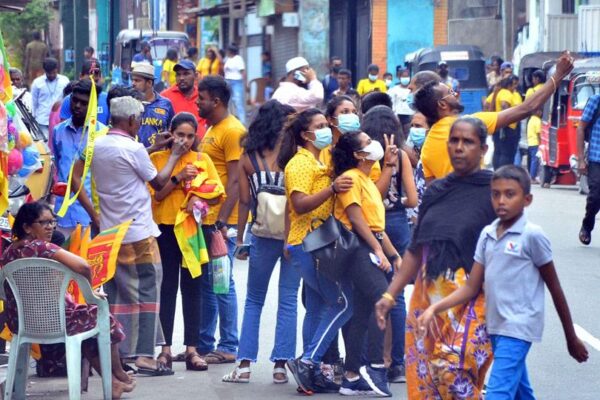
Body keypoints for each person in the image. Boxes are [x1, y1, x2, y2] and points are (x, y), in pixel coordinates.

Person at [417, 165, 589, 398]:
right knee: (521, 393)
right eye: (496, 194)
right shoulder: (487, 234)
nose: (501, 201)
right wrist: (435, 308)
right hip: (494, 326)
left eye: (510, 194)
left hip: (518, 329)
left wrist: (571, 337)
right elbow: (471, 287)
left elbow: (555, 287)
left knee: (498, 393)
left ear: (527, 199)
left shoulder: (532, 236)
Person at [375, 117, 497, 398]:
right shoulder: (436, 192)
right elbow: (416, 249)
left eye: (468, 142)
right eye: (454, 140)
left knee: (453, 373)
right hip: (427, 296)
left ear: (483, 148)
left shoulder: (495, 191)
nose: (459, 147)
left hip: (475, 297)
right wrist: (390, 294)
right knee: (427, 382)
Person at [72, 92, 188, 376]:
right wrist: (174, 155)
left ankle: (119, 355)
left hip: (111, 230)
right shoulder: (133, 149)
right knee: (149, 293)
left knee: (118, 294)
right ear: (133, 120)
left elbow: (75, 177)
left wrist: (94, 214)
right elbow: (159, 182)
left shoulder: (98, 144)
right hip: (139, 233)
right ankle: (146, 357)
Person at [0, 202, 136, 399]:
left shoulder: (8, 253)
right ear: (27, 227)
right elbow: (84, 267)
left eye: (52, 222)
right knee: (100, 314)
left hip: (21, 324)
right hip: (56, 321)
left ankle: (116, 381)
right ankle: (119, 375)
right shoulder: (41, 247)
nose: (50, 227)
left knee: (86, 322)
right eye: (43, 223)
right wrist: (91, 293)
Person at [222, 100, 299, 384]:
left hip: (262, 234)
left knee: (254, 299)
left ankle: (243, 366)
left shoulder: (248, 158)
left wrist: (241, 238)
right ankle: (281, 366)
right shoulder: (294, 156)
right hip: (294, 237)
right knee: (288, 299)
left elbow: (244, 201)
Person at [278, 108, 353, 395]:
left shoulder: (320, 159)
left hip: (314, 242)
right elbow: (298, 204)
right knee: (344, 303)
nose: (325, 130)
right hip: (311, 243)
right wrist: (332, 188)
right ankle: (309, 360)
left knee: (319, 306)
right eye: (320, 126)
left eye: (326, 124)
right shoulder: (299, 163)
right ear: (306, 134)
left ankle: (309, 368)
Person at [413, 51, 575, 183]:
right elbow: (528, 108)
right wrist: (558, 75)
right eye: (450, 92)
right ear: (442, 104)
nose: (455, 93)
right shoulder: (471, 124)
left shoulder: (427, 147)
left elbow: (432, 192)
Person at [331, 130, 405, 397]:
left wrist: (394, 255)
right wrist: (378, 251)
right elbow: (356, 219)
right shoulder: (350, 178)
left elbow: (377, 227)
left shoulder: (367, 180)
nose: (374, 144)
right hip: (358, 248)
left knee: (362, 314)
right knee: (380, 300)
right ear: (358, 154)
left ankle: (350, 376)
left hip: (370, 245)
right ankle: (374, 365)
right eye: (367, 142)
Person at [151, 112, 224, 373]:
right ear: (171, 133)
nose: (184, 140)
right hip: (166, 229)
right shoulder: (158, 159)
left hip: (194, 230)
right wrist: (179, 176)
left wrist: (201, 201)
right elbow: (158, 195)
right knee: (166, 288)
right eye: (180, 134)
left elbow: (217, 195)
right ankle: (165, 350)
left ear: (196, 137)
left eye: (190, 136)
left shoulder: (203, 160)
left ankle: (192, 349)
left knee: (193, 288)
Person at [362, 106, 417, 384]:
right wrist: (398, 201)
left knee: (372, 291)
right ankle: (398, 363)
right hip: (397, 221)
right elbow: (414, 199)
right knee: (396, 294)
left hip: (374, 223)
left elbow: (372, 195)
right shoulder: (404, 155)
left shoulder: (366, 155)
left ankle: (370, 359)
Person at [196, 75, 246, 364]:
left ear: (216, 101)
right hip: (207, 218)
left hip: (220, 222)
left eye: (201, 98)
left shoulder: (232, 131)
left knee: (222, 283)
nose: (197, 102)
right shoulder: (212, 128)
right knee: (208, 283)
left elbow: (237, 180)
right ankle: (204, 344)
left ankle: (229, 345)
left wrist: (223, 222)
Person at [52, 79, 106, 237]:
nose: (77, 106)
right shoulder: (58, 131)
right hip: (63, 213)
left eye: (84, 103)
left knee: (86, 261)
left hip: (90, 215)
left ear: (93, 105)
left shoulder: (102, 134)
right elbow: (58, 163)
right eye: (74, 100)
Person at [130, 63, 175, 151]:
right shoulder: (129, 103)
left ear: (149, 83)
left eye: (137, 80)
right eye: (132, 80)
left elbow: (172, 131)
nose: (133, 84)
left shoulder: (165, 104)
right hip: (133, 157)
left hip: (158, 158)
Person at [576, 92, 600, 245]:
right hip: (596, 158)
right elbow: (581, 128)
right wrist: (580, 159)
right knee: (596, 195)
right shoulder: (596, 100)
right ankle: (587, 226)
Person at [161, 60, 207, 138]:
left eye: (186, 74)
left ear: (195, 76)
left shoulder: (203, 96)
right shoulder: (165, 96)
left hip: (202, 146)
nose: (181, 78)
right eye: (178, 74)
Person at [59, 59, 110, 125]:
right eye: (89, 81)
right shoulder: (69, 100)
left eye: (96, 81)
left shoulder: (107, 99)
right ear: (80, 76)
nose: (93, 85)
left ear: (101, 78)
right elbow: (64, 129)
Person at [486, 76, 520, 169]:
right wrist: (507, 117)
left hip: (496, 124)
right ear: (509, 85)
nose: (514, 88)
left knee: (498, 150)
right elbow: (504, 105)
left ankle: (497, 170)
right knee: (506, 152)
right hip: (507, 127)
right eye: (513, 85)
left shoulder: (497, 93)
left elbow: (486, 103)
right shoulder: (506, 93)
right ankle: (504, 171)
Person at [31, 58, 69, 136]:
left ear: (57, 69)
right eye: (49, 73)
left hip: (59, 120)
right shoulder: (37, 83)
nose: (51, 75)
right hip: (42, 121)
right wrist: (33, 118)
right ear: (45, 71)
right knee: (44, 146)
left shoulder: (64, 81)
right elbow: (34, 103)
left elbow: (67, 99)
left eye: (54, 73)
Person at [224, 44, 246, 125]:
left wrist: (245, 83)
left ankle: (242, 122)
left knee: (238, 102)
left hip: (236, 81)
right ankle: (230, 120)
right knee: (228, 101)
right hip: (227, 81)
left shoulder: (238, 59)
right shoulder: (227, 59)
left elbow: (242, 71)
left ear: (231, 51)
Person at [388, 67, 414, 134]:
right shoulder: (394, 90)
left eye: (407, 76)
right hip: (398, 116)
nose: (405, 78)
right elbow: (392, 103)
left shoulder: (412, 90)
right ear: (399, 77)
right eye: (403, 76)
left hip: (410, 115)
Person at [527, 108, 542, 183]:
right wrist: (541, 144)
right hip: (536, 143)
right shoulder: (538, 121)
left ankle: (532, 176)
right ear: (536, 112)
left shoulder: (530, 120)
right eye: (540, 111)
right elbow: (539, 134)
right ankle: (532, 177)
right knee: (535, 161)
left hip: (530, 143)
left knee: (533, 160)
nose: (541, 112)